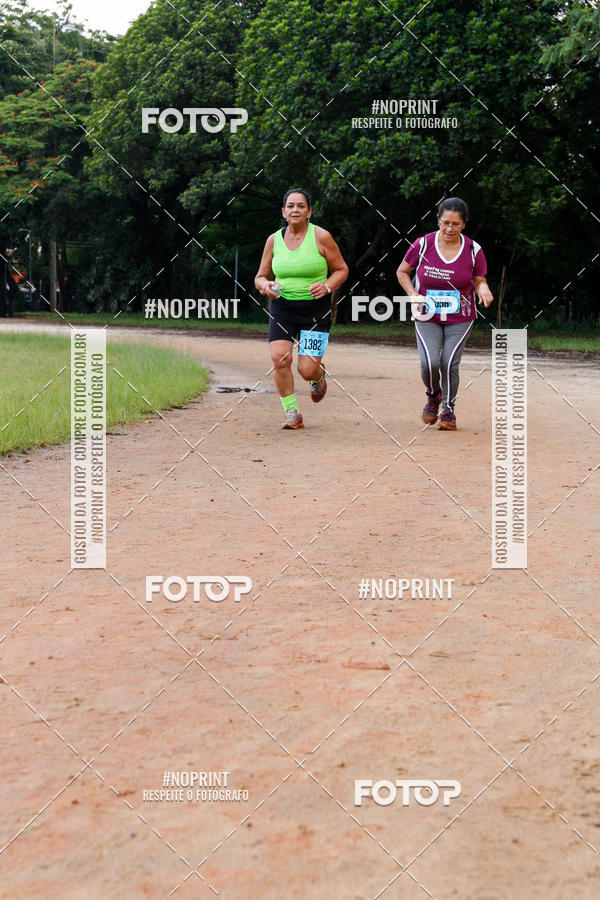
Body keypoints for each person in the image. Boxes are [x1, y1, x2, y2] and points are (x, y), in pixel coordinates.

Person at [396, 197, 493, 430]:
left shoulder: (473, 249)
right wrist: (413, 294)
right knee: (428, 362)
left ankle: (448, 411)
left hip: (461, 315)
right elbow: (402, 271)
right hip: (426, 313)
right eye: (445, 222)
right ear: (438, 220)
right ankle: (433, 395)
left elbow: (479, 279)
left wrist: (484, 288)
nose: (449, 228)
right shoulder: (422, 244)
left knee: (449, 362)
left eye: (455, 224)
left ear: (464, 224)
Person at [255, 188, 348, 429]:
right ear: (284, 212)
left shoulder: (321, 236)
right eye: (291, 206)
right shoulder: (273, 240)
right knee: (279, 359)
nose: (295, 209)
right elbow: (260, 277)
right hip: (282, 308)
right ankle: (292, 412)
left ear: (309, 211)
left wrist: (327, 287)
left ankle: (317, 375)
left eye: (301, 206)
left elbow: (341, 270)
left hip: (315, 311)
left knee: (306, 369)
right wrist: (266, 285)